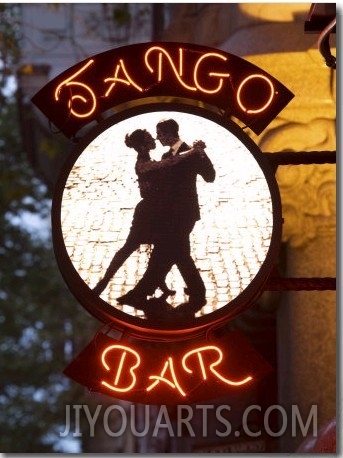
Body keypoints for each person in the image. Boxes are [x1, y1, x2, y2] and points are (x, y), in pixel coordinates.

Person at [117, 119, 216, 316]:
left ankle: (141, 292)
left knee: (168, 251)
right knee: (177, 253)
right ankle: (197, 291)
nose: (158, 138)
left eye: (160, 134)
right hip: (169, 216)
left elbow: (210, 176)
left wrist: (201, 153)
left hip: (185, 213)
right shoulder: (165, 155)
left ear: (170, 134)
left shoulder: (192, 152)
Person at [93, 128, 202, 297]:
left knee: (161, 247)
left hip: (159, 210)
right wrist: (193, 151)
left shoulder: (148, 159)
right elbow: (170, 163)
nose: (154, 139)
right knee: (129, 248)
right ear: (144, 146)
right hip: (147, 214)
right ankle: (104, 281)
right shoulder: (143, 164)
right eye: (150, 138)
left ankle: (160, 283)